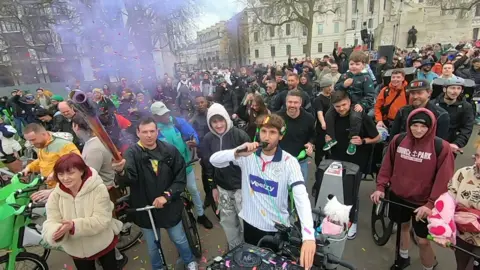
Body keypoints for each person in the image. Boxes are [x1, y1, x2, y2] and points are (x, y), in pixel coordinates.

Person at [209, 114, 316, 269]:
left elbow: (301, 197)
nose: (267, 137)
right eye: (264, 131)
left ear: (281, 136)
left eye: (272, 132)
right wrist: (237, 152)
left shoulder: (289, 162)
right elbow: (214, 160)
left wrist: (308, 236)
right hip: (250, 224)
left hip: (276, 230)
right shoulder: (247, 156)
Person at [371, 108, 455, 270]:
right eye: (414, 125)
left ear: (431, 127)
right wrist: (380, 187)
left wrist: (430, 205)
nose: (418, 130)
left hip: (423, 203)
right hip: (398, 196)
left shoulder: (441, 147)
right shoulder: (398, 140)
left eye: (423, 126)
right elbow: (387, 165)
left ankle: (429, 267)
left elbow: (444, 180)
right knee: (403, 226)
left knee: (423, 240)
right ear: (408, 125)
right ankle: (403, 257)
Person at [111, 117, 199, 270]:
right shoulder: (132, 153)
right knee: (153, 246)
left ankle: (189, 260)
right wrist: (120, 171)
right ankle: (158, 268)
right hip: (146, 209)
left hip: (169, 206)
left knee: (179, 239)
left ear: (157, 132)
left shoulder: (169, 150)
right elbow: (128, 179)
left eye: (152, 131)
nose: (149, 135)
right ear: (138, 133)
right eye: (144, 132)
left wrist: (167, 196)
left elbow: (180, 178)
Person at [42, 153, 123, 270]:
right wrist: (55, 232)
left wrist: (74, 225)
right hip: (76, 249)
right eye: (60, 174)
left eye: (70, 173)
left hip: (101, 243)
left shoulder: (98, 189)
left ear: (81, 171)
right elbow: (51, 221)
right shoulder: (55, 195)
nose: (65, 178)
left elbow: (102, 220)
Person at [150, 101, 213, 229]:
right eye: (163, 115)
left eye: (167, 113)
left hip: (185, 165)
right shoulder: (153, 130)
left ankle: (201, 215)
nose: (167, 116)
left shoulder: (178, 122)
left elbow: (193, 134)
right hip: (167, 171)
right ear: (155, 117)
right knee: (172, 195)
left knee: (193, 189)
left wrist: (194, 139)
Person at [327, 90, 381, 239]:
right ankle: (337, 219)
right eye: (337, 106)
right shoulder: (332, 117)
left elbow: (377, 137)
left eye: (344, 105)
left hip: (356, 162)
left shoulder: (360, 116)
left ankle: (352, 222)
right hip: (337, 159)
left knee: (351, 194)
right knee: (336, 191)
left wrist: (363, 141)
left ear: (350, 102)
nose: (341, 109)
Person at [201, 103, 250, 249]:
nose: (218, 125)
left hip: (242, 187)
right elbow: (207, 166)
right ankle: (234, 249)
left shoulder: (240, 135)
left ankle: (248, 248)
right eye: (214, 121)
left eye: (221, 120)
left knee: (245, 221)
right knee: (228, 221)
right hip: (222, 188)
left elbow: (252, 162)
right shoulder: (208, 139)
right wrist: (213, 187)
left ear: (227, 119)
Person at [324, 51, 376, 155]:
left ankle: (352, 140)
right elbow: (336, 88)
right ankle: (332, 138)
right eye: (352, 64)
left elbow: (370, 96)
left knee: (355, 117)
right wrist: (344, 84)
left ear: (363, 65)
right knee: (328, 114)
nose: (354, 67)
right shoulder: (345, 75)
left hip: (356, 104)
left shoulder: (366, 78)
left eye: (357, 64)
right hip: (343, 102)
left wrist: (362, 104)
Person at [441, 140, 480, 269]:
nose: (478, 162)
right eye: (478, 156)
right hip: (462, 237)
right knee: (461, 266)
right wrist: (443, 228)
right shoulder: (463, 173)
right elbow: (449, 200)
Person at [23, 123, 80, 200]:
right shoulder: (41, 144)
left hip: (66, 189)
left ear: (43, 134)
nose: (32, 143)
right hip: (51, 187)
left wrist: (55, 173)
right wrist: (29, 167)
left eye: (33, 139)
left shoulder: (64, 145)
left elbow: (77, 164)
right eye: (29, 141)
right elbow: (41, 160)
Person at [278, 90, 315, 184]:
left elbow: (313, 136)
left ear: (300, 103)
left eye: (296, 102)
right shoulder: (277, 117)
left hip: (301, 161)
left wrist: (311, 144)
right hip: (280, 161)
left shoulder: (309, 118)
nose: (292, 105)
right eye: (290, 102)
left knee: (299, 193)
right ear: (286, 102)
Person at [433, 78, 474, 155]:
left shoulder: (466, 107)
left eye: (459, 88)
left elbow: (467, 127)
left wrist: (457, 143)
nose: (455, 91)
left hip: (451, 144)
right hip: (433, 142)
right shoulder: (433, 104)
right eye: (452, 88)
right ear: (445, 89)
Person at [313, 77, 333, 166]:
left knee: (331, 151)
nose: (330, 88)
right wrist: (323, 123)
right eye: (328, 86)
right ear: (323, 87)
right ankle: (319, 169)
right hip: (322, 129)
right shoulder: (318, 99)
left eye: (330, 85)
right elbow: (319, 112)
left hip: (332, 127)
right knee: (320, 150)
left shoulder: (333, 97)